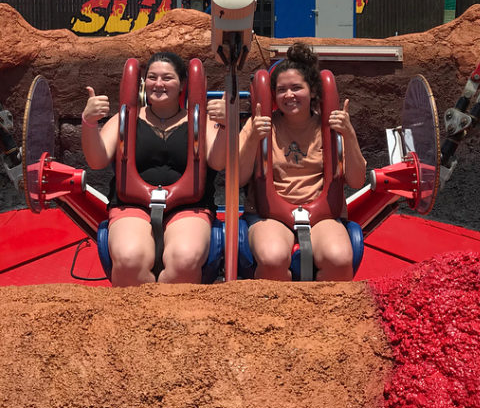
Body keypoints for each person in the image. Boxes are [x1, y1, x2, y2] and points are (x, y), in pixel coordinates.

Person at [81, 51, 227, 286]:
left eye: (167, 78)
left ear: (182, 85)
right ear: (143, 82)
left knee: (184, 260)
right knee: (129, 260)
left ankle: (175, 318)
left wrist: (224, 126)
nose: (158, 84)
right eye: (152, 77)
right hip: (133, 204)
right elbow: (96, 161)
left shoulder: (201, 122)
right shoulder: (124, 119)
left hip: (189, 206)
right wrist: (88, 122)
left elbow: (218, 162)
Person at [238, 42, 367, 281]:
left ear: (313, 91)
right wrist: (254, 137)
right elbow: (239, 177)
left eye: (296, 88)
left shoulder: (330, 127)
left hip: (322, 214)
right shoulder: (260, 124)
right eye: (281, 89)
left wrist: (348, 134)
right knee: (272, 258)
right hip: (270, 214)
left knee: (338, 258)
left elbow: (357, 180)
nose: (289, 95)